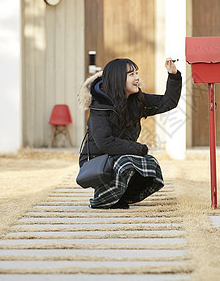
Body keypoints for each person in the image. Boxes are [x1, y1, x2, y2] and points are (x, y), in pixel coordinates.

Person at [77, 58, 182, 209]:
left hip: (118, 157)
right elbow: (105, 143)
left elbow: (168, 102)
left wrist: (173, 75)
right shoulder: (99, 107)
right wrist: (139, 149)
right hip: (96, 163)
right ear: (118, 79)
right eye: (131, 74)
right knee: (127, 162)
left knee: (150, 164)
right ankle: (101, 198)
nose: (137, 78)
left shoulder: (136, 101)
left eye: (136, 73)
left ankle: (121, 196)